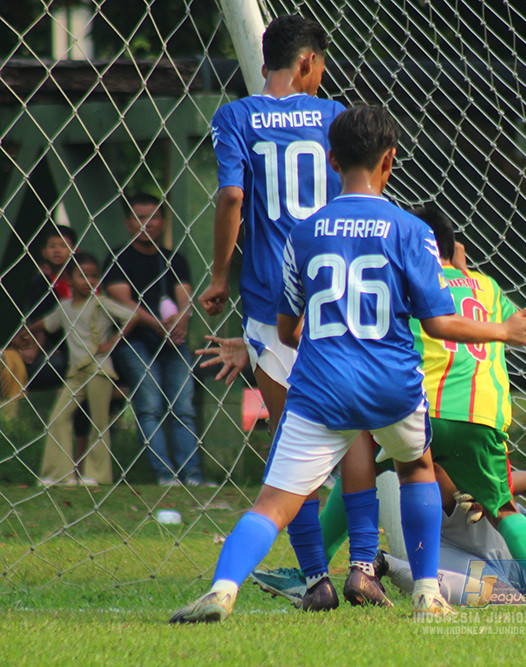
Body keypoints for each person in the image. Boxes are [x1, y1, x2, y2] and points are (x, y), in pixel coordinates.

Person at [169, 105, 526, 624]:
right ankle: (427, 594)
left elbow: (288, 330)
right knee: (416, 467)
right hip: (392, 383)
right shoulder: (413, 231)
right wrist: (504, 330)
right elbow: (439, 324)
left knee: (273, 503)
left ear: (331, 160)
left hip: (322, 385)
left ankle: (222, 589)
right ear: (389, 160)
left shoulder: (302, 233)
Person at [313, 206, 526, 607]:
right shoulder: (487, 287)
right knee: (505, 510)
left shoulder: (405, 281)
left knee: (359, 467)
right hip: (481, 416)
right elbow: (506, 318)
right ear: (455, 250)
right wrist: (463, 271)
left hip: (421, 409)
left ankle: (313, 571)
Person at [197, 13, 346, 609]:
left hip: (270, 304)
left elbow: (233, 195)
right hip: (337, 300)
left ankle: (316, 578)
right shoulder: (335, 116)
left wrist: (218, 275)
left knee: (293, 446)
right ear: (308, 62)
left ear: (265, 63)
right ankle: (368, 564)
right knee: (367, 445)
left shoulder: (236, 116)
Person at [246, 466, 526, 607]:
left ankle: (380, 567)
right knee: (413, 468)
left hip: (492, 575)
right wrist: (491, 494)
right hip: (489, 531)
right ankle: (309, 572)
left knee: (503, 601)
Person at [104, 193, 204, 486]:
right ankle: (165, 475)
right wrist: (158, 325)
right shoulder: (118, 258)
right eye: (140, 217)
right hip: (135, 342)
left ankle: (193, 475)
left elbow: (185, 297)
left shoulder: (174, 259)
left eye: (154, 217)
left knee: (183, 407)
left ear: (163, 222)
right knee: (149, 406)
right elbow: (122, 300)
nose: (147, 223)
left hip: (174, 341)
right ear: (128, 223)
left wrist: (181, 321)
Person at [30, 252, 137, 486]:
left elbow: (131, 317)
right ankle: (58, 474)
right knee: (58, 418)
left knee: (98, 422)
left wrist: (112, 343)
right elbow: (47, 323)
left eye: (94, 276)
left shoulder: (101, 303)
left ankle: (96, 475)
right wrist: (23, 331)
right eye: (83, 275)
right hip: (75, 373)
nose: (89, 281)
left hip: (99, 370)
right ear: (69, 278)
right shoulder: (65, 307)